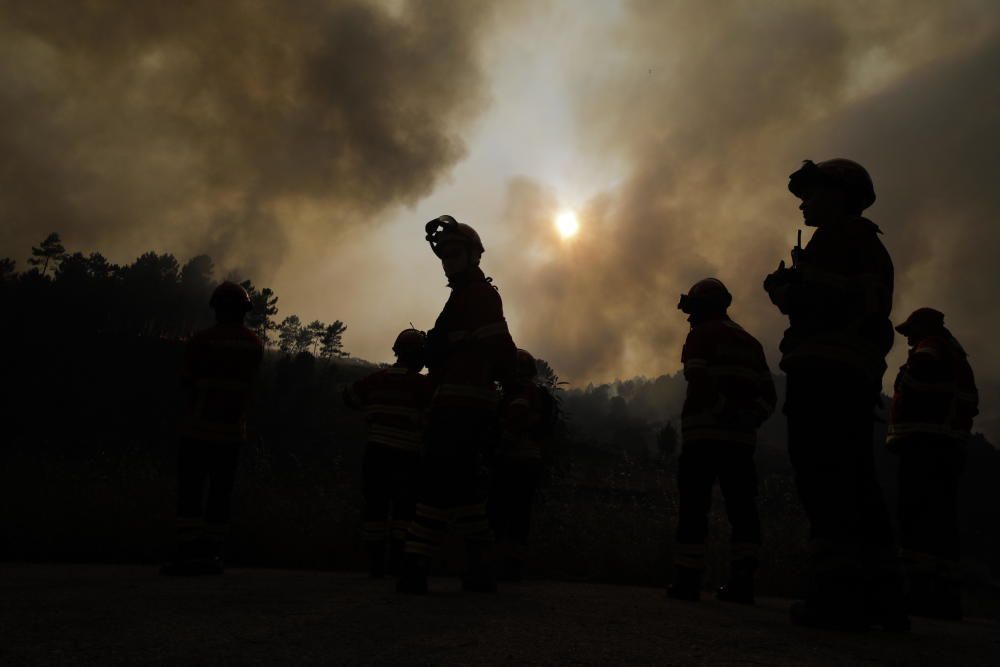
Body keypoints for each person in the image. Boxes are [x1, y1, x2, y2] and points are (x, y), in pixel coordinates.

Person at [764, 159, 907, 630]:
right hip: (850, 376)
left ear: (840, 194)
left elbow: (823, 303)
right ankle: (881, 601)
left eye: (812, 193)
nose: (803, 203)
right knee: (854, 478)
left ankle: (836, 597)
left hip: (825, 374)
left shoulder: (839, 240)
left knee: (823, 476)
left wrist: (786, 289)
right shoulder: (865, 244)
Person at [398, 215, 518, 594]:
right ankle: (480, 568)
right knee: (464, 490)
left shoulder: (480, 295)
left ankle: (415, 565)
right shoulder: (462, 296)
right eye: (444, 255)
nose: (449, 261)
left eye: (454, 253)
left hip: (462, 410)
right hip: (458, 406)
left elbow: (501, 350)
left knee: (435, 483)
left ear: (473, 256)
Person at [668, 278, 776, 604]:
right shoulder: (751, 343)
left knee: (694, 507)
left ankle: (687, 582)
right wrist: (747, 419)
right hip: (741, 443)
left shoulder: (700, 336)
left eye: (692, 310)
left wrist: (720, 411)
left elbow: (696, 378)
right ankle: (743, 583)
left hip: (703, 438)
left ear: (703, 309)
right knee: (743, 508)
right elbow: (769, 396)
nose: (688, 318)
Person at [162, 281, 263, 576]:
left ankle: (185, 555)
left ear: (216, 308)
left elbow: (186, 383)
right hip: (232, 434)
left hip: (197, 430)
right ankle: (211, 555)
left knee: (191, 492)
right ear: (244, 311)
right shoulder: (254, 345)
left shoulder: (201, 342)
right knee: (220, 494)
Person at [889, 308, 978, 619]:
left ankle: (919, 592)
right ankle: (945, 597)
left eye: (910, 331)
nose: (908, 339)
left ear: (925, 328)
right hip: (946, 446)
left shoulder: (930, 348)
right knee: (942, 521)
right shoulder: (956, 357)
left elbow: (915, 379)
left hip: (923, 445)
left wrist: (902, 378)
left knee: (916, 518)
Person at [343, 329, 432, 578]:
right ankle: (395, 563)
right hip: (408, 456)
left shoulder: (375, 379)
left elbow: (348, 397)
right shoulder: (424, 385)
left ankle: (375, 565)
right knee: (404, 511)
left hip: (376, 453)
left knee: (375, 508)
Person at [489, 348, 557, 582]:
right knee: (520, 515)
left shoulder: (520, 394)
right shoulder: (539, 395)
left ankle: (498, 566)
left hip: (514, 460)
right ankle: (513, 566)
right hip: (531, 461)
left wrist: (499, 448)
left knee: (501, 513)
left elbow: (514, 425)